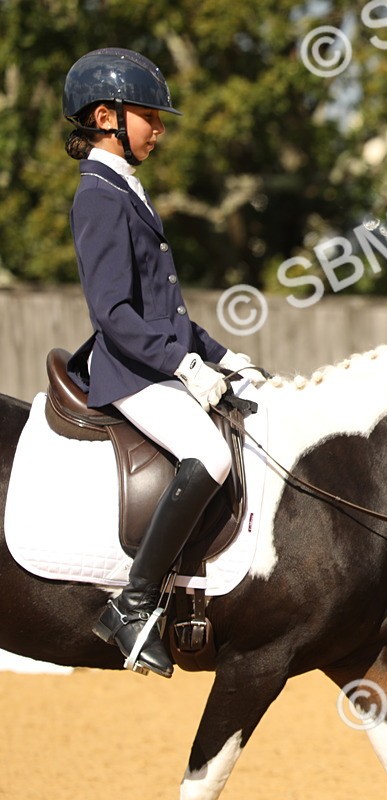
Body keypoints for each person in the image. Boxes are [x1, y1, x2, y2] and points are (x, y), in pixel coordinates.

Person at [61, 48, 268, 678]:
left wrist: (222, 356)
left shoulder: (126, 188)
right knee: (209, 454)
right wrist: (183, 365)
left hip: (156, 359)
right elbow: (114, 314)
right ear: (106, 117)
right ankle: (132, 605)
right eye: (148, 116)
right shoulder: (99, 195)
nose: (159, 128)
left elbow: (164, 309)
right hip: (129, 370)